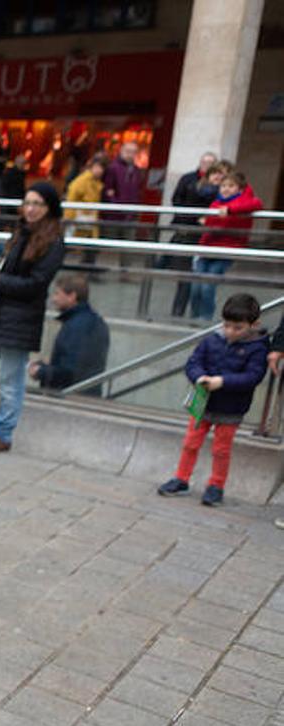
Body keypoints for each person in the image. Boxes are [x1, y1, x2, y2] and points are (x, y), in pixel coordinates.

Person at [0, 183, 66, 454]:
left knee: (10, 380)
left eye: (37, 204)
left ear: (49, 208)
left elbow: (37, 283)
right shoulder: (20, 232)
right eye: (27, 202)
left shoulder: (53, 242)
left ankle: (2, 433)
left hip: (21, 320)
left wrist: (0, 280)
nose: (30, 209)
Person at [158, 293, 269, 507]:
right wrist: (198, 377)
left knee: (221, 449)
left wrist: (223, 381)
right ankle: (181, 478)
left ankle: (216, 485)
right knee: (191, 442)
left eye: (238, 328)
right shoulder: (212, 340)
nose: (230, 332)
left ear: (254, 325)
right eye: (227, 325)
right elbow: (193, 362)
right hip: (203, 402)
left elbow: (253, 377)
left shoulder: (257, 348)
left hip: (231, 408)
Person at [190, 168, 261, 321]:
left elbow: (256, 203)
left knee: (208, 285)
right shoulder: (216, 203)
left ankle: (205, 319)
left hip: (226, 250)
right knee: (195, 286)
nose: (226, 189)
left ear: (240, 189)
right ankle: (193, 317)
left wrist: (229, 210)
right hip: (207, 248)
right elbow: (210, 226)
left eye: (231, 186)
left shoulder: (244, 201)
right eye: (223, 186)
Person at [28, 273, 109, 393]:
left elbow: (70, 370)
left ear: (72, 296)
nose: (53, 299)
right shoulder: (95, 322)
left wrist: (41, 371)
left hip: (71, 393)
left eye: (57, 294)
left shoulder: (76, 327)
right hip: (87, 392)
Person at [167, 152, 219, 317]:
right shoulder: (188, 179)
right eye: (204, 162)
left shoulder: (219, 186)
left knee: (198, 278)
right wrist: (191, 218)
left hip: (204, 234)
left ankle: (196, 313)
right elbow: (177, 199)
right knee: (186, 275)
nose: (206, 165)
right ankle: (178, 310)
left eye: (210, 163)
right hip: (186, 230)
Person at [64, 154, 106, 264]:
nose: (100, 170)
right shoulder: (82, 181)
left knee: (89, 250)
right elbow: (71, 200)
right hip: (79, 220)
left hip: (89, 221)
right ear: (91, 167)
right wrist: (69, 219)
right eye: (98, 167)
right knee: (71, 248)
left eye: (102, 168)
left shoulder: (97, 183)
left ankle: (85, 273)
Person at [102, 141, 145, 241]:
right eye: (128, 151)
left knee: (128, 243)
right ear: (121, 151)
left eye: (134, 152)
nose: (130, 155)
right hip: (114, 215)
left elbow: (138, 190)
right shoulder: (112, 168)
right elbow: (107, 190)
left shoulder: (136, 170)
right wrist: (115, 205)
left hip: (131, 214)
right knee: (110, 245)